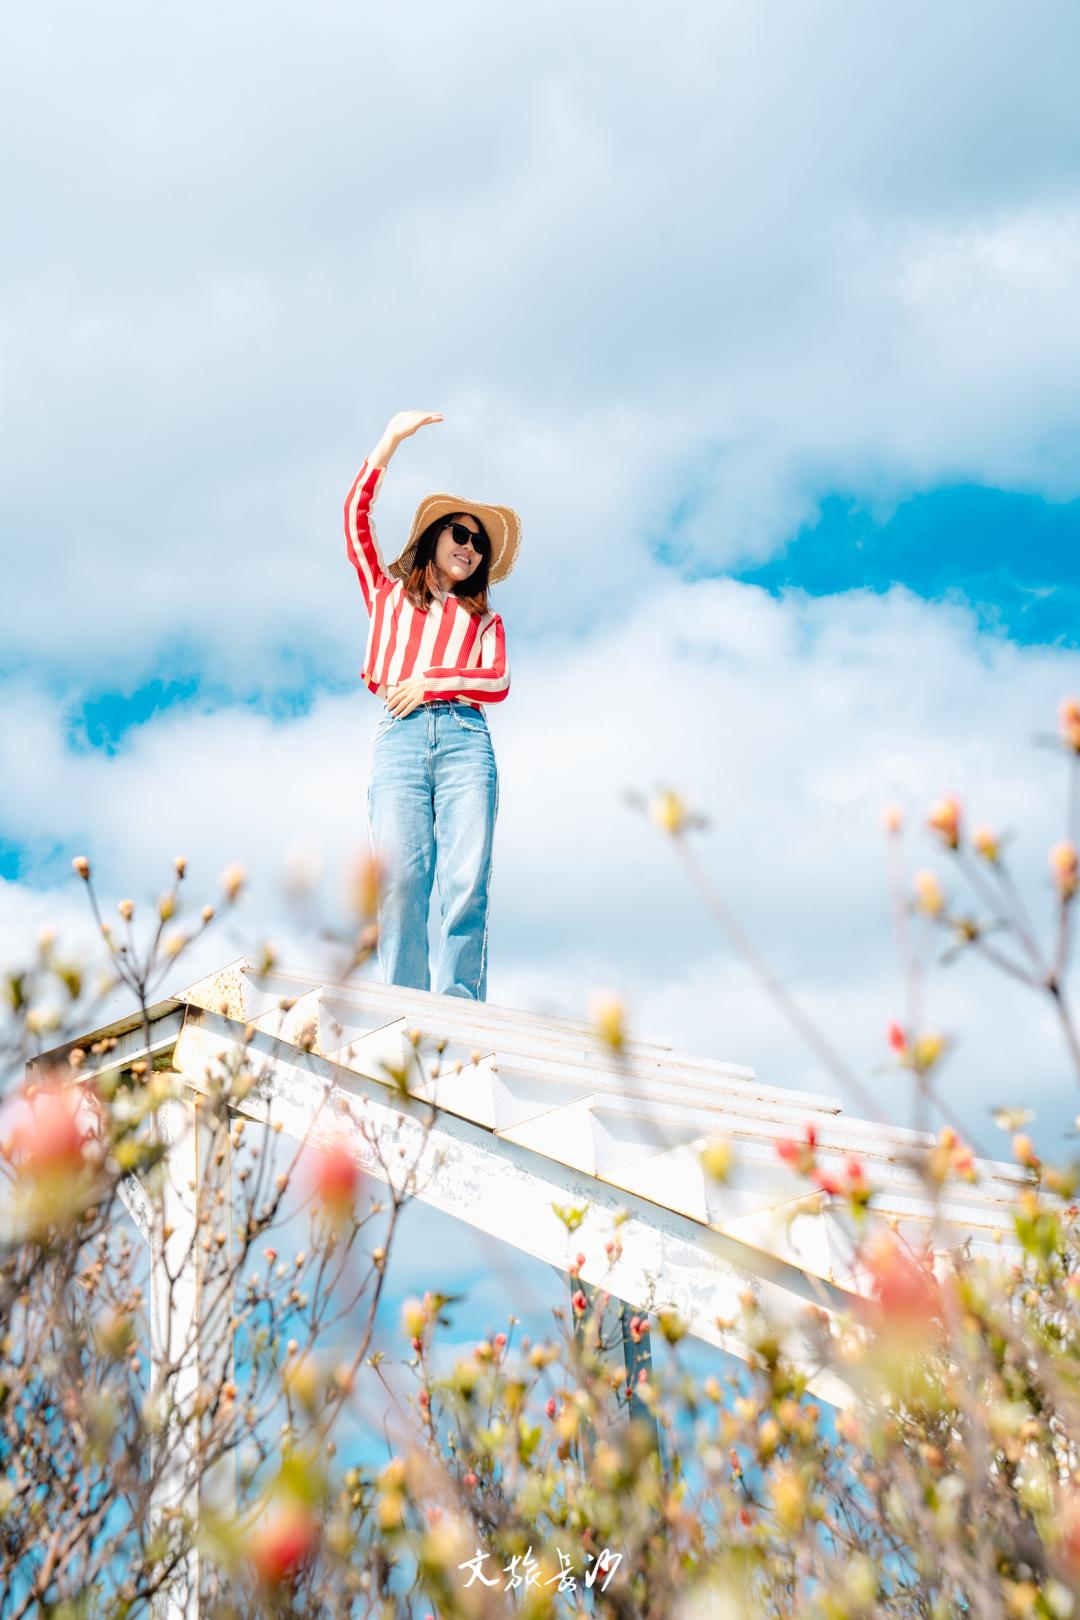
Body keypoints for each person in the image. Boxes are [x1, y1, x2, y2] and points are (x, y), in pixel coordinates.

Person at [344, 410, 520, 1001]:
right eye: (460, 535)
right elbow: (354, 523)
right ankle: (403, 1007)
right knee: (402, 879)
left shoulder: (485, 619)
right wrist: (389, 440)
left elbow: (495, 682)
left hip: (467, 739)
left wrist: (431, 682)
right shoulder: (387, 593)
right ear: (434, 536)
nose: (470, 548)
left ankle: (461, 1007)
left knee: (467, 878)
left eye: (479, 543)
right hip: (399, 738)